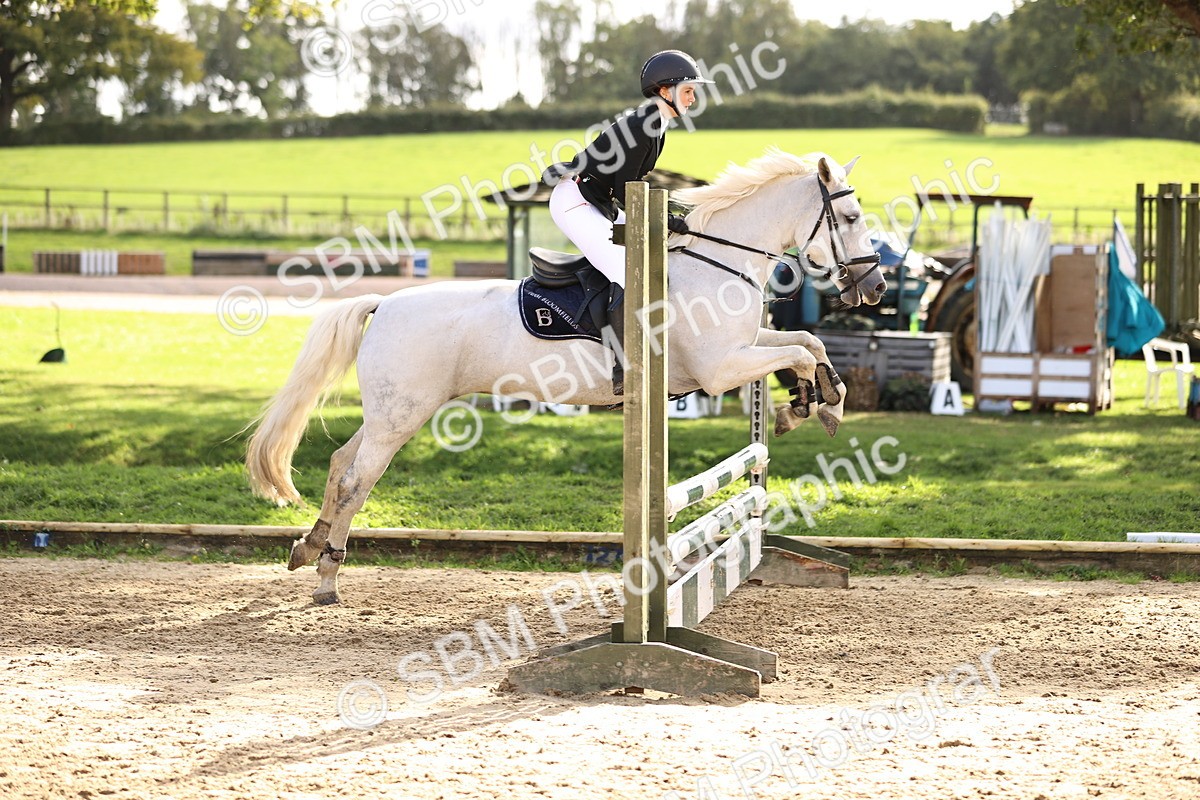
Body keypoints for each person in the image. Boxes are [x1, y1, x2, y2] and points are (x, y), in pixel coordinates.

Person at [544, 49, 713, 394]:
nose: (693, 98)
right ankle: (625, 365)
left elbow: (632, 186)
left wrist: (668, 218)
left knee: (657, 252)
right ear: (665, 91)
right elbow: (627, 188)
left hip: (598, 200)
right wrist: (662, 217)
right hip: (575, 201)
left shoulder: (656, 123)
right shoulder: (644, 124)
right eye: (688, 91)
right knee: (627, 269)